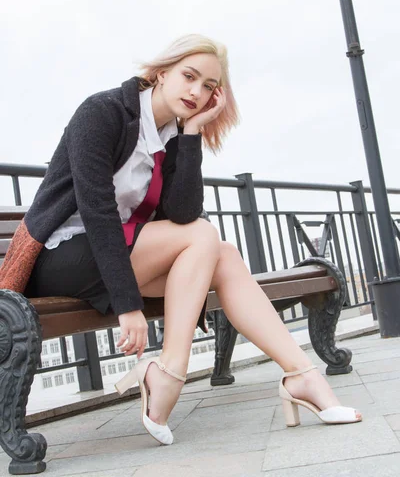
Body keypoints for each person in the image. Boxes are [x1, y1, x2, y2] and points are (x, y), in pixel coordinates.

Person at [0, 34, 361, 447]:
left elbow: (184, 213)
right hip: (62, 256)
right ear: (161, 72)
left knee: (222, 255)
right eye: (189, 76)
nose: (197, 91)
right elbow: (98, 212)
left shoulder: (172, 133)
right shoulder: (102, 112)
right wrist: (128, 306)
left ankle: (302, 376)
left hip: (118, 254)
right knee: (207, 238)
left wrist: (191, 135)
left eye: (209, 86)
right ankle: (171, 371)